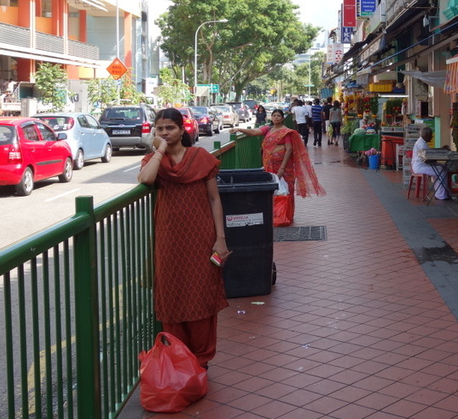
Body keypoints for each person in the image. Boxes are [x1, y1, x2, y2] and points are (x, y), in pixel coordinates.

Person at [137, 107, 229, 369]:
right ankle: (179, 358)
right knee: (172, 295)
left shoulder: (200, 157)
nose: (165, 133)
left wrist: (220, 238)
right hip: (169, 240)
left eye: (170, 128)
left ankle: (201, 360)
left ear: (182, 130)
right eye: (160, 128)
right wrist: (159, 150)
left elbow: (214, 199)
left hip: (201, 237)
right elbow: (145, 179)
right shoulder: (157, 161)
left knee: (201, 295)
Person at [234, 109, 325, 221]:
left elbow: (289, 150)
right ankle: (275, 215)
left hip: (284, 167)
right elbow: (253, 132)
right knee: (272, 190)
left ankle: (287, 216)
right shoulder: (268, 129)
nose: (276, 117)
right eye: (274, 115)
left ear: (282, 118)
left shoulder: (286, 132)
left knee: (287, 189)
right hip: (269, 165)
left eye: (278, 116)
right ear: (271, 118)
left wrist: (282, 168)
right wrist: (239, 129)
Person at [411, 126, 449, 200]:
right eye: (431, 135)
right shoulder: (422, 144)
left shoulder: (421, 141)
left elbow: (429, 151)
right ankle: (441, 195)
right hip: (420, 167)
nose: (432, 137)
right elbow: (428, 158)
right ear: (426, 135)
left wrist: (440, 149)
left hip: (420, 165)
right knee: (440, 170)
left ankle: (441, 192)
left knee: (441, 167)